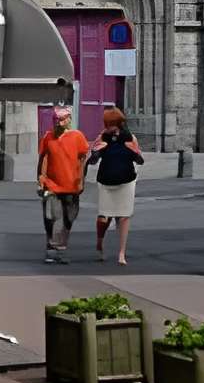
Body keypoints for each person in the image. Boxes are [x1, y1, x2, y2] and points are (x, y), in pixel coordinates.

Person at [36, 104, 90, 265]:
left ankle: (62, 244)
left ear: (68, 120)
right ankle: (52, 248)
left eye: (60, 120)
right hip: (51, 184)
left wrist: (81, 180)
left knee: (70, 216)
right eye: (55, 120)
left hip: (71, 185)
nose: (57, 123)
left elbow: (82, 160)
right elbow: (43, 160)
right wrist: (40, 180)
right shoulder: (48, 137)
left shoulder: (77, 137)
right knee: (50, 215)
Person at [91, 106, 143, 266]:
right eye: (107, 124)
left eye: (111, 124)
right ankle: (100, 240)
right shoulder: (103, 137)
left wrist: (134, 152)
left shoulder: (129, 138)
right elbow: (93, 160)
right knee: (103, 217)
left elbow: (139, 160)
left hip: (126, 180)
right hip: (106, 181)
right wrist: (96, 151)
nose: (109, 127)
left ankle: (122, 252)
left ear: (119, 123)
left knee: (124, 216)